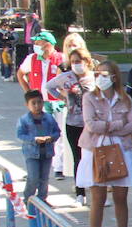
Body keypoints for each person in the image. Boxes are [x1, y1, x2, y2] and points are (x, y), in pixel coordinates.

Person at [78, 60, 132, 227]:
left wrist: (110, 128)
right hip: (95, 149)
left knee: (121, 195)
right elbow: (90, 124)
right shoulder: (89, 98)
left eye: (104, 75)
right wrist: (116, 125)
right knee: (98, 196)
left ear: (114, 77)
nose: (100, 78)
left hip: (120, 149)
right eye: (97, 74)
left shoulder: (125, 98)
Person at [45, 49, 93, 198]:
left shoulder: (93, 78)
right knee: (78, 157)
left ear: (87, 61)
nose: (76, 65)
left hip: (91, 124)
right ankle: (80, 193)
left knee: (93, 158)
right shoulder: (66, 77)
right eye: (73, 62)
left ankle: (96, 190)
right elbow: (49, 86)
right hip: (73, 123)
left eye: (79, 61)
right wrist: (62, 98)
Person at [19, 32, 67, 179]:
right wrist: (29, 93)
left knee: (59, 135)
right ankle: (34, 169)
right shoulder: (32, 59)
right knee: (37, 135)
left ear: (48, 44)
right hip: (40, 105)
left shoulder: (61, 58)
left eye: (39, 43)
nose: (36, 46)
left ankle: (59, 167)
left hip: (58, 103)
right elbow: (21, 74)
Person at [16, 90, 60, 202]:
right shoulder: (24, 120)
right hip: (31, 153)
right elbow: (20, 135)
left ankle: (42, 199)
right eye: (33, 103)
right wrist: (34, 140)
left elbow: (57, 131)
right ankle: (28, 199)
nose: (37, 106)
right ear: (27, 105)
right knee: (33, 177)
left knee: (44, 178)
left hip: (47, 152)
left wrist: (51, 138)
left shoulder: (49, 118)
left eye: (39, 102)